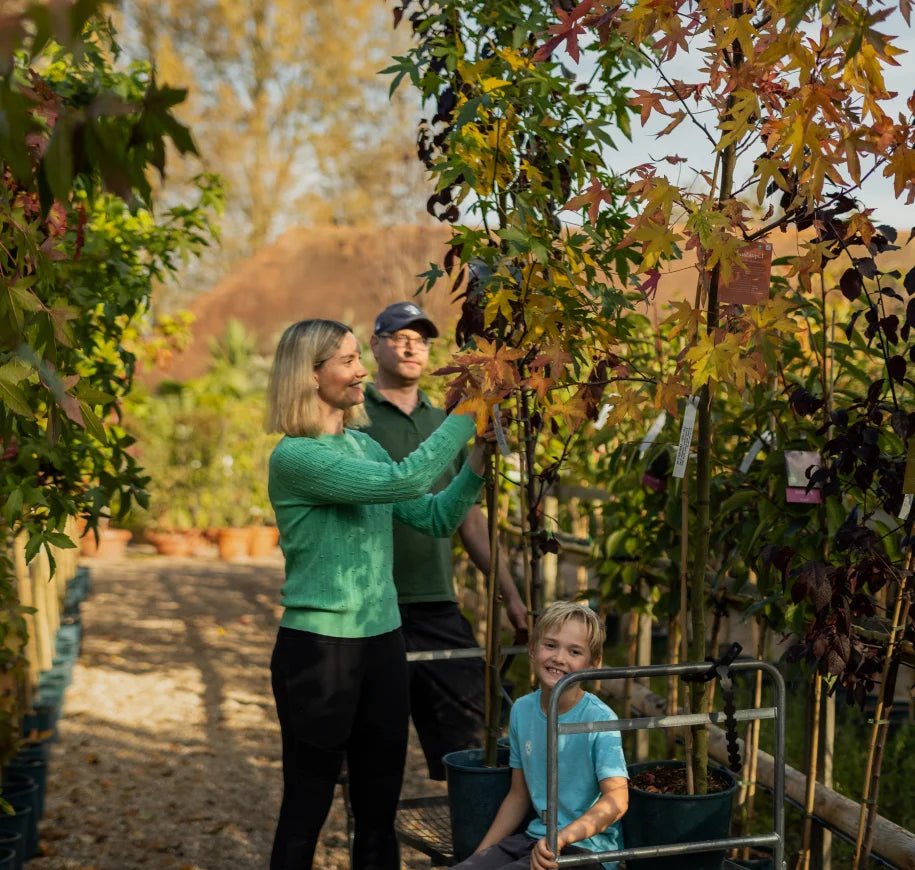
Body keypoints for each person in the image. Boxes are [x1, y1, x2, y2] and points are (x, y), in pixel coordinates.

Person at [265, 318, 490, 870]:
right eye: (347, 360)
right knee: (307, 805)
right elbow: (404, 483)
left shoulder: (364, 446)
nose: (362, 369)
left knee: (378, 808)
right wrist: (466, 412)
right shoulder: (295, 457)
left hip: (382, 644)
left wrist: (478, 465)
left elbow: (433, 517)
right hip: (318, 650)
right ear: (309, 374)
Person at [362, 301, 529, 780]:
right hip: (371, 603)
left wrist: (511, 596)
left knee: (475, 740)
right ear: (375, 345)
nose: (411, 345)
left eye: (421, 337)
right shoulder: (354, 420)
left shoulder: (444, 422)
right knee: (371, 751)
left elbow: (466, 518)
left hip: (435, 602)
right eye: (398, 335)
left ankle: (472, 845)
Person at [454, 601, 629, 870]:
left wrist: (560, 838)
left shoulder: (600, 719)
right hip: (534, 839)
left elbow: (617, 800)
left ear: (594, 663)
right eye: (550, 645)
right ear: (533, 650)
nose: (559, 657)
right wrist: (477, 858)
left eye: (574, 651)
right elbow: (518, 795)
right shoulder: (522, 710)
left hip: (584, 849)